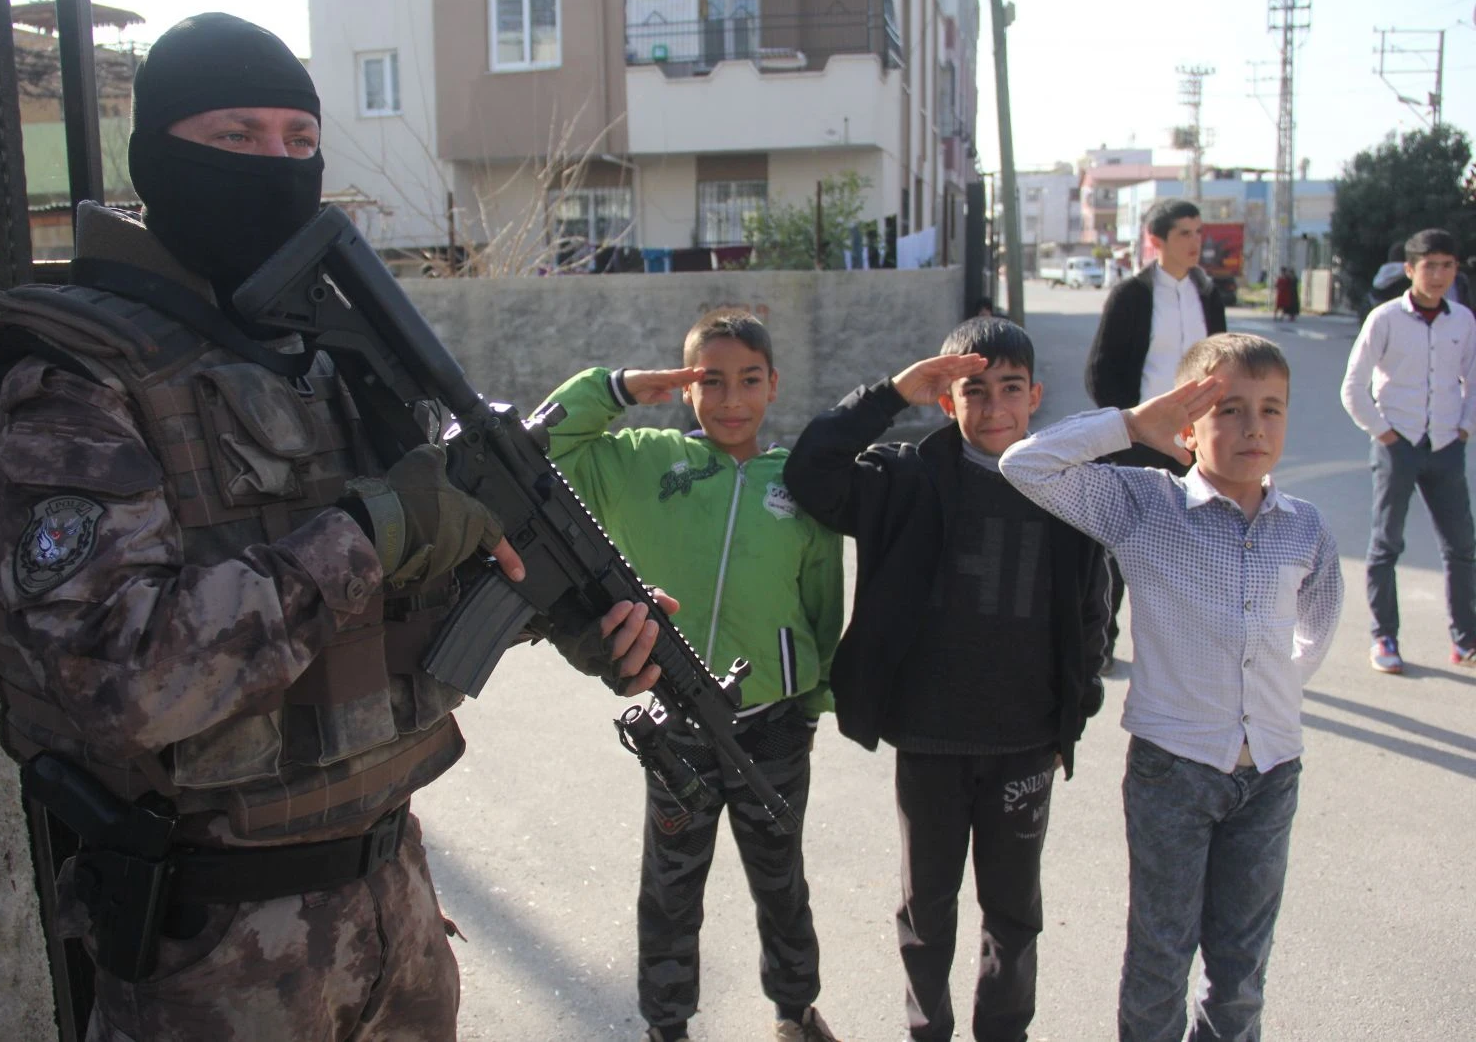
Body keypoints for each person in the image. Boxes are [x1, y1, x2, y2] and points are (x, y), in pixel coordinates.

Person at [0, 13, 668, 1042]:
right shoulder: (66, 374)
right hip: (212, 942)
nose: (274, 165)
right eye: (234, 136)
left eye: (297, 139)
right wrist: (372, 527)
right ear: (155, 156)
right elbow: (123, 676)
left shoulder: (322, 353)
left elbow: (407, 585)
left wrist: (558, 607)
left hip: (395, 895)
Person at [1000, 333, 1343, 1042]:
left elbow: (1317, 620)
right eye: (1229, 409)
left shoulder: (1304, 526)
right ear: (1186, 427)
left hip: (1271, 773)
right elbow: (1024, 464)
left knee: (1242, 964)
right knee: (1161, 955)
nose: (1253, 427)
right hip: (1173, 774)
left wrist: (1273, 692)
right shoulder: (1143, 505)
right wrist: (1129, 424)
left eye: (1271, 409)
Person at [783, 317, 1109, 1042]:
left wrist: (1072, 718)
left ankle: (1004, 1031)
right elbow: (810, 472)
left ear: (1036, 397)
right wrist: (891, 391)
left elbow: (1093, 616)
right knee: (927, 911)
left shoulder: (1068, 491)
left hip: (1025, 742)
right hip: (929, 740)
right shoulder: (905, 477)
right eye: (974, 390)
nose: (994, 408)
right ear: (945, 399)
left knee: (1014, 913)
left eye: (1011, 390)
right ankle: (926, 1029)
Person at [538, 310, 845, 1042]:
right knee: (671, 889)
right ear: (684, 388)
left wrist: (814, 701)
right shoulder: (645, 461)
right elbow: (542, 445)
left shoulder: (799, 486)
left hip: (774, 724)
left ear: (773, 385)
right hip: (676, 729)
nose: (730, 399)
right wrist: (611, 388)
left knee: (781, 880)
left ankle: (795, 1010)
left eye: (747, 380)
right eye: (710, 380)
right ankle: (667, 1025)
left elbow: (824, 600)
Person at [1083, 198, 1227, 671]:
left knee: (1191, 544)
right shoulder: (1132, 296)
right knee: (1120, 546)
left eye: (1199, 232)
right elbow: (1101, 373)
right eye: (1184, 233)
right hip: (1140, 439)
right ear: (1156, 240)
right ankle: (1101, 640)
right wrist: (1128, 425)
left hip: (1193, 441)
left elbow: (1224, 365)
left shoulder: (1208, 295)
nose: (1195, 242)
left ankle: (1184, 648)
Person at [1340, 228, 1476, 673]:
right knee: (1386, 545)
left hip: (1445, 447)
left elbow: (1472, 382)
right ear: (1410, 269)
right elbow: (1353, 387)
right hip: (1397, 446)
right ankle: (1385, 639)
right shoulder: (1384, 319)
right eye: (1430, 265)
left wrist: (1464, 427)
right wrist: (1384, 432)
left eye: (1447, 266)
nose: (1438, 275)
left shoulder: (1463, 321)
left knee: (1461, 547)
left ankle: (1465, 640)